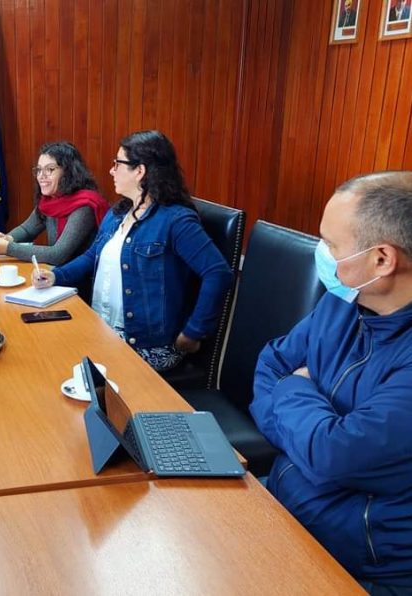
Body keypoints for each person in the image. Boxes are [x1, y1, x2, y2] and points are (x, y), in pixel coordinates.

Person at [250, 172, 412, 592]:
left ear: (382, 260)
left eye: (331, 244)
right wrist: (313, 428)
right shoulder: (344, 302)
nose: (321, 253)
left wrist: (295, 388)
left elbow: (331, 455)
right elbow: (270, 364)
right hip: (283, 511)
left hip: (362, 567)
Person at [32, 130, 232, 372]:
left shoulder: (176, 220)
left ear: (140, 171)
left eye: (118, 163)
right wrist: (56, 276)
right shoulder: (118, 212)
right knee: (39, 351)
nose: (111, 170)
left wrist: (194, 332)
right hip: (102, 331)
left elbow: (218, 273)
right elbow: (92, 254)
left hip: (145, 347)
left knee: (55, 371)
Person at [0, 141, 109, 265]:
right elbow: (27, 230)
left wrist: (8, 248)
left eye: (50, 169)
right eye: (39, 170)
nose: (41, 176)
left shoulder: (84, 206)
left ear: (68, 172)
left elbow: (57, 255)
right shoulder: (50, 199)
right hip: (54, 274)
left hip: (80, 281)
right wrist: (8, 238)